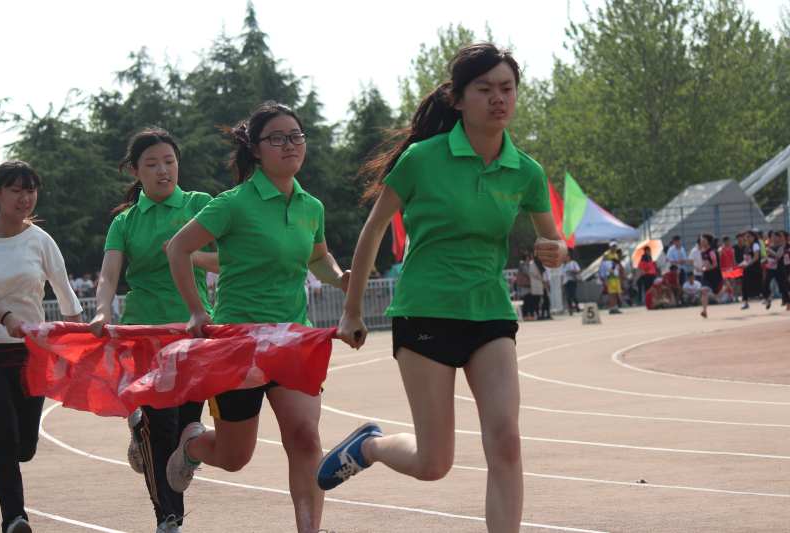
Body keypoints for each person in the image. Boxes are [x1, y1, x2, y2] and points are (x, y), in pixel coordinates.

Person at [316, 43, 568, 532]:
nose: (499, 98)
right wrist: (351, 310)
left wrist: (554, 251)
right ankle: (368, 446)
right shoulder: (422, 159)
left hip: (490, 313)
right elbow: (372, 231)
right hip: (425, 310)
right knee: (435, 463)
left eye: (507, 89)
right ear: (458, 99)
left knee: (506, 440)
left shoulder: (526, 171)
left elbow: (552, 240)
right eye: (485, 89)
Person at [165, 101, 349, 533]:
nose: (291, 145)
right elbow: (178, 248)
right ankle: (193, 446)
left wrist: (343, 278)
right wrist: (197, 310)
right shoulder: (233, 204)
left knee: (305, 438)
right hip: (238, 345)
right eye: (278, 138)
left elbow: (319, 258)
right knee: (235, 458)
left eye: (296, 136)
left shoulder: (311, 207)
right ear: (256, 148)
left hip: (292, 341)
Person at [88, 127, 217, 533]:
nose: (163, 171)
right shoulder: (125, 222)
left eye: (169, 161)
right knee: (162, 427)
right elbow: (109, 276)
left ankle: (149, 436)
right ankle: (168, 519)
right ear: (135, 171)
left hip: (195, 332)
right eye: (152, 164)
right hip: (145, 336)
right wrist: (101, 309)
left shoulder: (201, 205)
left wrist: (188, 254)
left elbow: (226, 261)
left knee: (185, 432)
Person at [0, 161, 83, 533]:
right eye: (15, 189)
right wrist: (6, 317)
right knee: (7, 439)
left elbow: (68, 300)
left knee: (24, 446)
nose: (25, 198)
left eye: (31, 189)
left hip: (31, 356)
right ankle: (15, 518)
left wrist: (85, 344)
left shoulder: (41, 241)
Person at [697, 233, 721, 318]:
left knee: (716, 295)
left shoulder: (711, 251)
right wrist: (703, 268)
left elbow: (715, 265)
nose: (702, 243)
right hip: (706, 275)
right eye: (701, 241)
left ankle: (726, 286)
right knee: (704, 292)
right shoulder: (702, 252)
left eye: (704, 241)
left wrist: (705, 269)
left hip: (714, 275)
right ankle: (704, 310)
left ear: (708, 242)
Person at [762, 230, 788, 310]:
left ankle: (788, 302)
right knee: (766, 282)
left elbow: (778, 256)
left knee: (783, 287)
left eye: (776, 237)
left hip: (779, 270)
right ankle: (768, 297)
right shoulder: (772, 247)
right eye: (773, 237)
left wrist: (769, 250)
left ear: (779, 238)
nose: (774, 238)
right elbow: (769, 258)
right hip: (771, 269)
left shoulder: (780, 247)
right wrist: (762, 261)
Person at [738, 230, 762, 310]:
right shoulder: (746, 246)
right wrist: (741, 264)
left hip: (755, 268)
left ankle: (767, 297)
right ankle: (745, 302)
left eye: (749, 236)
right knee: (744, 284)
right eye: (746, 236)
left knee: (759, 285)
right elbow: (746, 259)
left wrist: (747, 264)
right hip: (748, 270)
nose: (747, 238)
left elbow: (756, 257)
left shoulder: (755, 245)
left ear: (753, 237)